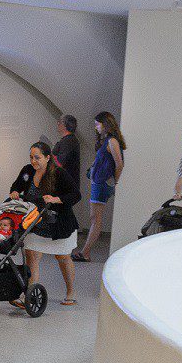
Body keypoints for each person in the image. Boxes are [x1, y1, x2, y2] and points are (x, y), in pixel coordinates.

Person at [9, 141, 80, 307]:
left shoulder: (58, 173)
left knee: (62, 257)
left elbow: (76, 195)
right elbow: (16, 185)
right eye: (31, 157)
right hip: (36, 223)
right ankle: (29, 294)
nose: (34, 161)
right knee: (31, 257)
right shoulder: (27, 171)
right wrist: (14, 192)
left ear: (48, 158)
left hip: (58, 224)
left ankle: (71, 291)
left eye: (37, 157)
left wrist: (57, 199)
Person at [74, 112, 124, 262]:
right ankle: (85, 252)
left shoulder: (112, 141)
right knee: (94, 218)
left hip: (102, 184)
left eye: (97, 124)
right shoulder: (108, 140)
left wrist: (114, 182)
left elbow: (119, 164)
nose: (96, 127)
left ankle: (85, 252)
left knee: (96, 219)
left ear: (105, 123)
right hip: (99, 182)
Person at [54, 114, 81, 183]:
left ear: (65, 126)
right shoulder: (68, 140)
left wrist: (47, 153)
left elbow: (60, 163)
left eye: (60, 122)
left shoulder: (68, 141)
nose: (58, 123)